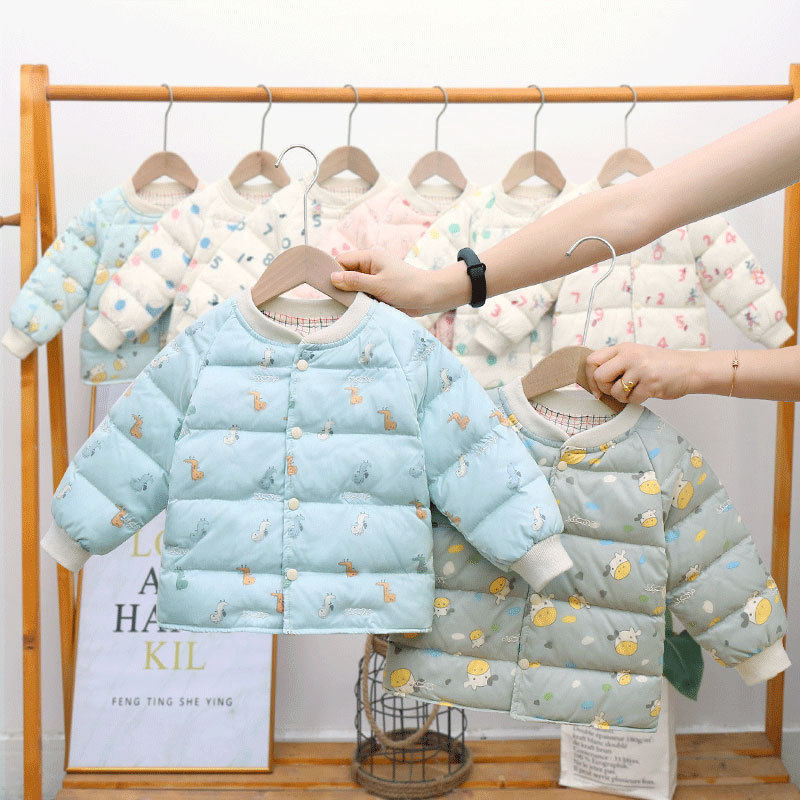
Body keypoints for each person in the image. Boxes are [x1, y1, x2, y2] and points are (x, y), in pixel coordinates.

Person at [330, 97, 800, 404]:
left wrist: (718, 356)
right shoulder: (474, 211)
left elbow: (654, 220)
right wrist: (434, 288)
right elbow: (631, 209)